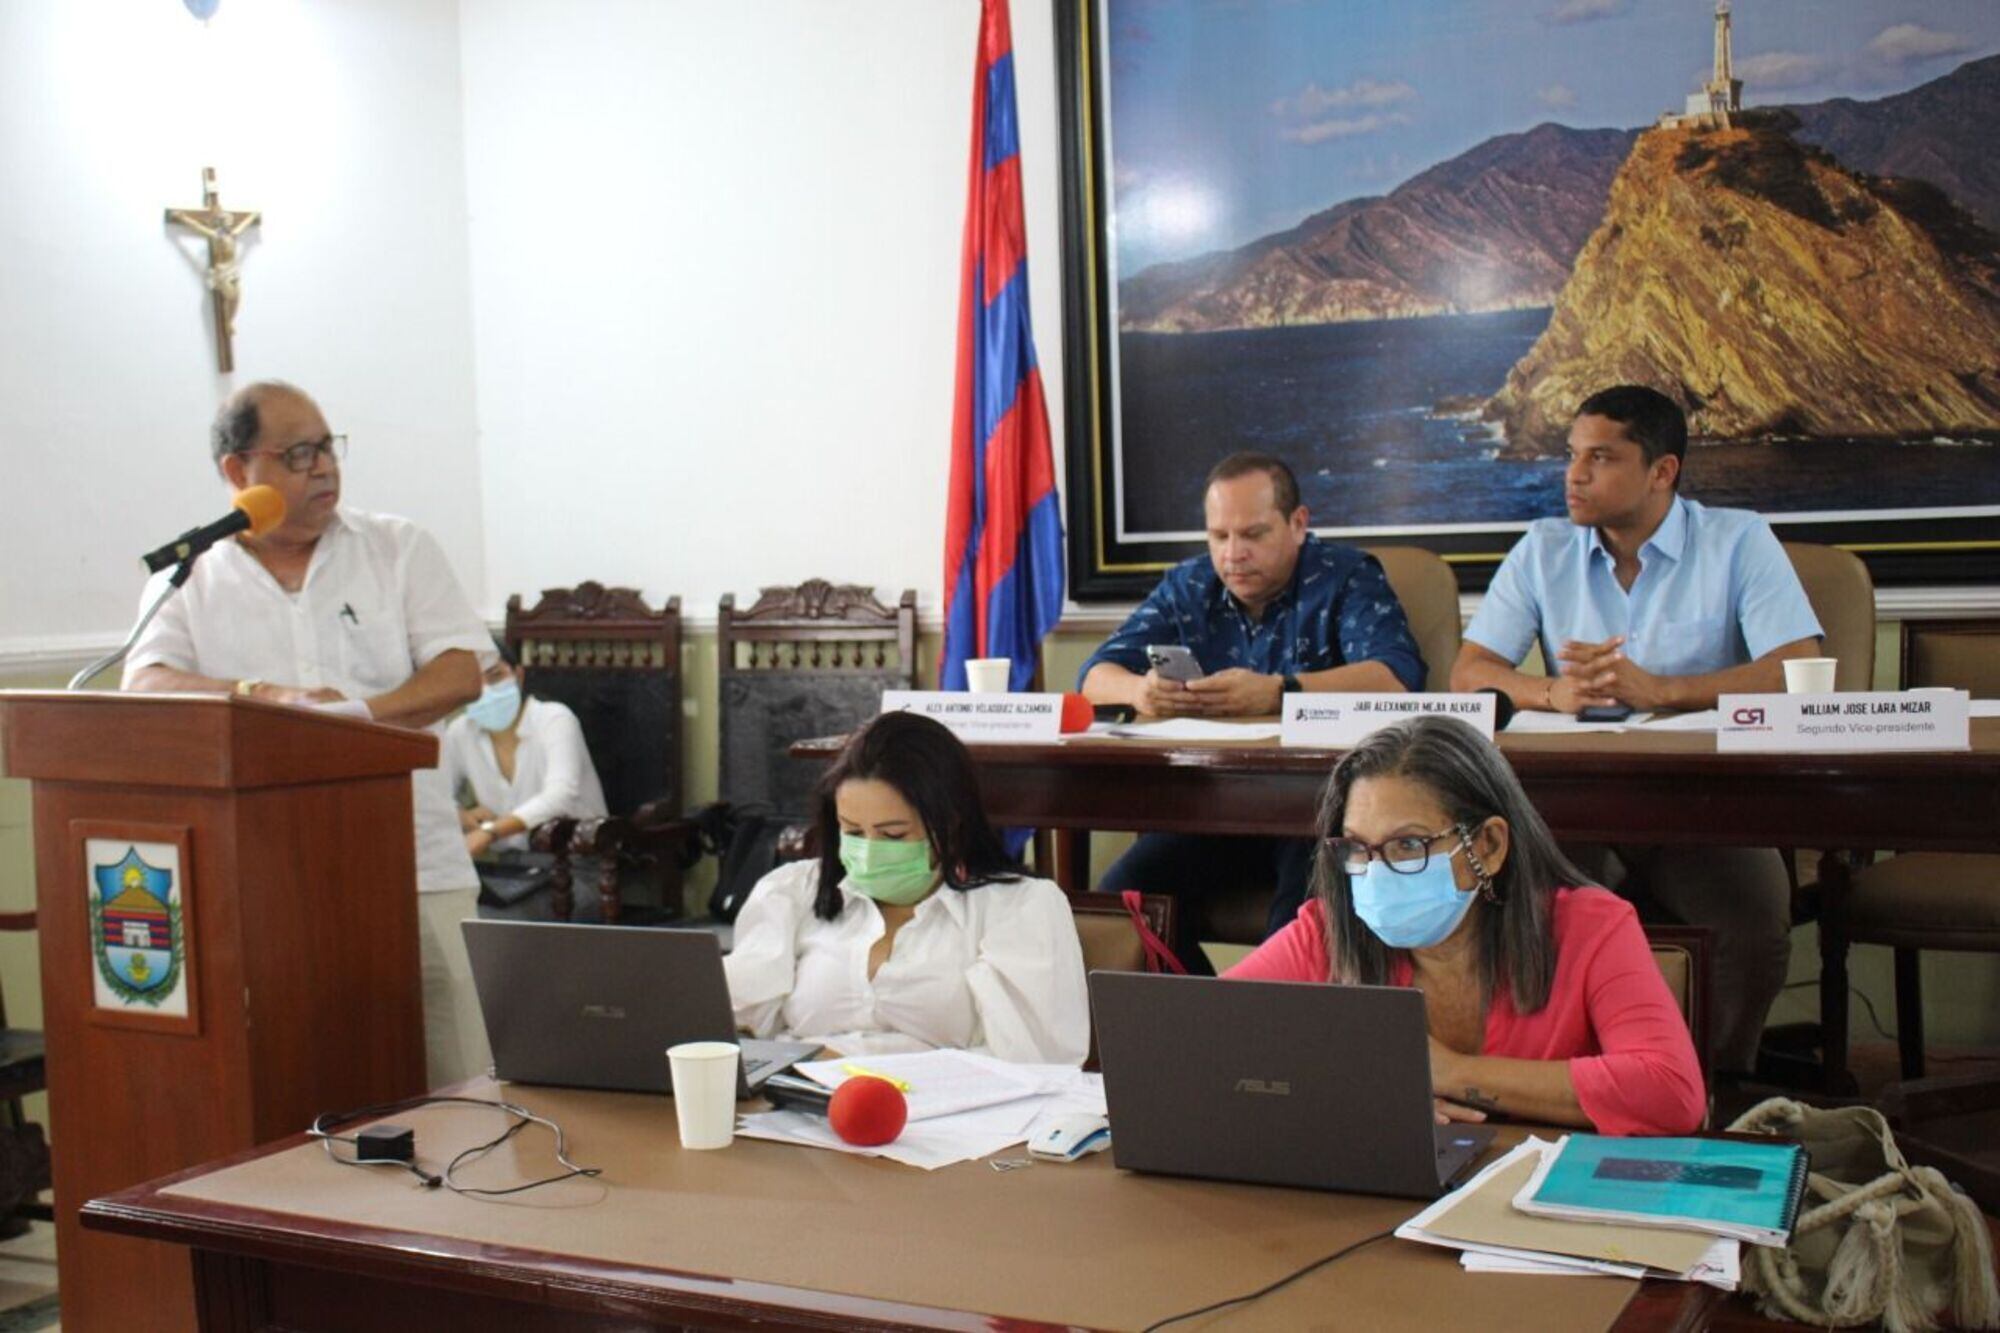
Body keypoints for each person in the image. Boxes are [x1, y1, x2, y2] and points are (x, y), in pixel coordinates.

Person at [122, 380, 495, 1086]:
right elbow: (146, 681)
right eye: (298, 453)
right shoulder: (190, 574)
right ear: (238, 472)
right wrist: (263, 696)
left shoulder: (396, 548)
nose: (324, 467)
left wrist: (352, 721)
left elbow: (459, 674)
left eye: (328, 446)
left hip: (414, 862)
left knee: (463, 1081)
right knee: (308, 1085)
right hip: (264, 886)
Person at [1450, 384, 1823, 1075]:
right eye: (1571, 455)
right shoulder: (1543, 548)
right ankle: (1571, 1080)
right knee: (1527, 909)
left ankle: (1712, 1082)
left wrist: (1666, 690)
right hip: (1575, 804)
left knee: (1754, 918)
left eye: (1601, 457)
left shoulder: (1738, 539)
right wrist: (1551, 690)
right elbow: (1470, 671)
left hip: (1706, 805)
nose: (1574, 475)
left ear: (1662, 472)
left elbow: (1798, 665)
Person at [1229, 716, 1706, 1137]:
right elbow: (1199, 1042)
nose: (1375, 872)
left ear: (1489, 846)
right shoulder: (1329, 931)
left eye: (1408, 846)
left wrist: (1452, 1072)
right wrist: (1356, 1090)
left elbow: (1671, 1094)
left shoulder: (1591, 928)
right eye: (1357, 847)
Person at [1078, 451, 1426, 969]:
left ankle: (1270, 1037)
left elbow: (1398, 679)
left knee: (1296, 924)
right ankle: (1202, 1027)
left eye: (1253, 535)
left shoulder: (1346, 576)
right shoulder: (1190, 585)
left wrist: (1281, 691)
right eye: (1219, 537)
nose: (1233, 555)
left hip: (1317, 809)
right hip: (1214, 808)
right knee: (1119, 906)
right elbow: (1093, 678)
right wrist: (1140, 692)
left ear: (1298, 524)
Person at [723, 711, 1089, 1065]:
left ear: (948, 825)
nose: (867, 850)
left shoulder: (1019, 908)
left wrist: (858, 1065)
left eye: (892, 835)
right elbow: (739, 1026)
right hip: (797, 1107)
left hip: (952, 1115)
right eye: (852, 832)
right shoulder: (794, 891)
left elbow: (1037, 1064)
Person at [443, 639, 607, 857]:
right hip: (508, 867)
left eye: (495, 677)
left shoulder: (555, 719)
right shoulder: (460, 732)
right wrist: (462, 816)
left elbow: (560, 796)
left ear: (518, 676)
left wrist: (490, 832)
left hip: (576, 863)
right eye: (473, 683)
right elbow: (434, 795)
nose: (485, 692)